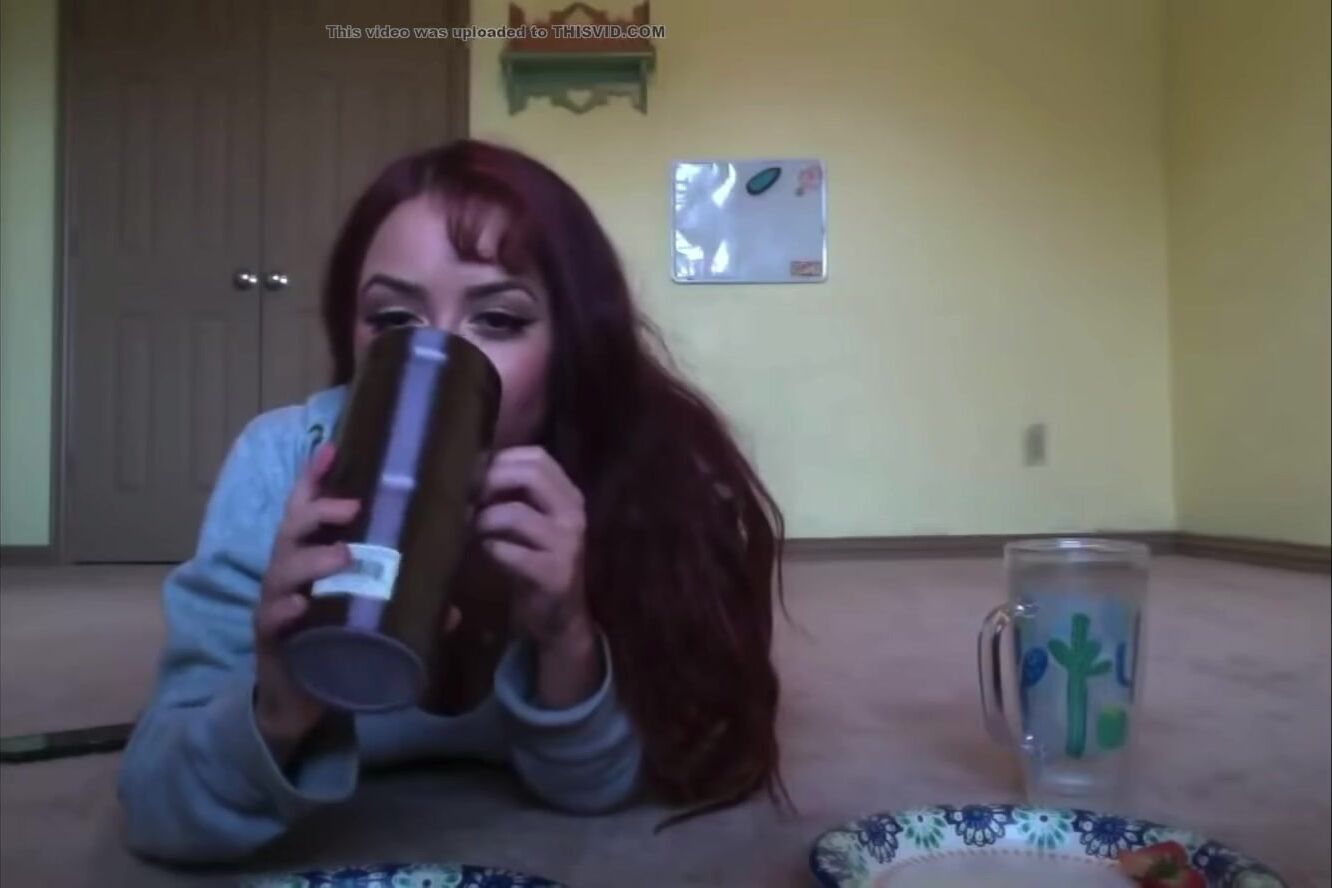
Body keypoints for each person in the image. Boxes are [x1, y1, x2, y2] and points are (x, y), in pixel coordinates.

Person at [117, 139, 788, 863]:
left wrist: (565, 635)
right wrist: (279, 703)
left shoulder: (634, 472)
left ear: (570, 344)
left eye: (497, 319)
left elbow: (605, 786)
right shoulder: (285, 462)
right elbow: (160, 807)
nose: (434, 355)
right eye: (392, 320)